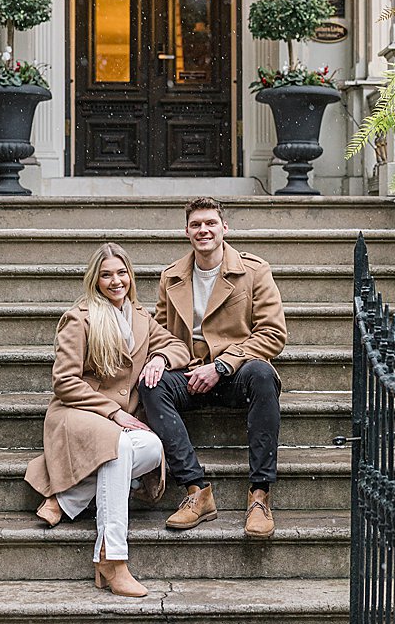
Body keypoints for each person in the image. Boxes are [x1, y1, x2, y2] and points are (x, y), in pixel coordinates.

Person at [25, 243, 190, 597]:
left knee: (150, 447)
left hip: (119, 423)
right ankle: (111, 557)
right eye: (106, 274)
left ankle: (68, 497)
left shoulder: (141, 318)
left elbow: (180, 347)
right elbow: (64, 381)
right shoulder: (80, 317)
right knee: (117, 448)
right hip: (79, 414)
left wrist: (160, 358)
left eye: (121, 273)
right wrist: (113, 412)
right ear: (95, 279)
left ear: (130, 276)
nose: (116, 281)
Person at [139, 196, 287, 538]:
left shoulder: (254, 271)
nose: (203, 230)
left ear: (224, 228)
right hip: (189, 373)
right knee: (151, 384)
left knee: (263, 375)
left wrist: (222, 365)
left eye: (210, 223)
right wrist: (161, 359)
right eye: (196, 225)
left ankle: (260, 496)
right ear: (186, 232)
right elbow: (159, 333)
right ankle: (196, 491)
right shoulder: (171, 277)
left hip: (237, 374)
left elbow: (273, 334)